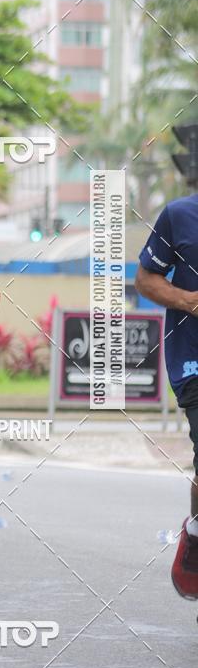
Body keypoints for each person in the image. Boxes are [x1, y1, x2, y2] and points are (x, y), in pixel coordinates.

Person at [135, 191, 198, 598]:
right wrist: (188, 300)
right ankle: (196, 539)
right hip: (194, 359)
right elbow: (145, 280)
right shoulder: (180, 214)